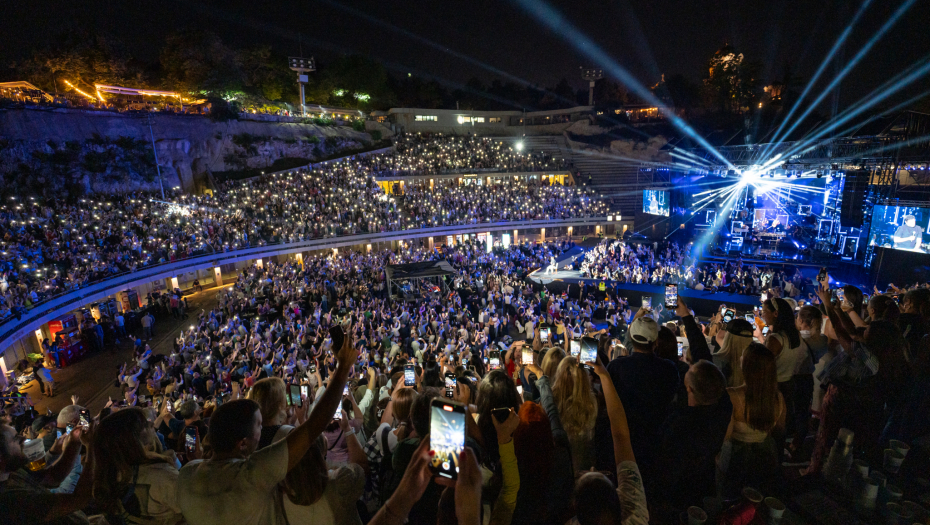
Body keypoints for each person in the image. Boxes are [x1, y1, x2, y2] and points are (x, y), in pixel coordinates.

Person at [176, 331, 357, 525]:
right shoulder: (252, 475)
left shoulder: (187, 474)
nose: (263, 430)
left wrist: (195, 458)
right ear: (242, 444)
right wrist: (344, 367)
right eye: (259, 425)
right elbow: (315, 426)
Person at [651, 360, 732, 512]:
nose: (688, 366)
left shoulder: (678, 425)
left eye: (690, 368)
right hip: (704, 483)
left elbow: (666, 469)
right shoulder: (723, 410)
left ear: (688, 388)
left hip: (677, 494)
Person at [577, 356, 649, 525]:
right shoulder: (634, 509)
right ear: (619, 500)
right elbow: (621, 435)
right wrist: (604, 375)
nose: (593, 468)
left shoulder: (636, 510)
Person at [605, 315, 679, 483]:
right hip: (655, 443)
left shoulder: (616, 367)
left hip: (620, 443)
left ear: (631, 338)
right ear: (655, 343)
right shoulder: (669, 370)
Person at [91, 407, 185, 525]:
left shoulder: (107, 477)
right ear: (133, 439)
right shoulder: (163, 476)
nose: (151, 423)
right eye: (145, 424)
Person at [717, 343, 785, 498]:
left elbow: (725, 437)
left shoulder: (733, 396)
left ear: (748, 367)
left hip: (736, 459)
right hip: (766, 455)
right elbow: (780, 431)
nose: (740, 358)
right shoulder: (778, 398)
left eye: (743, 357)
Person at [0, 423, 95, 525]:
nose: (23, 438)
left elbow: (53, 477)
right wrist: (92, 447)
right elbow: (79, 499)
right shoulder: (8, 501)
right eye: (16, 439)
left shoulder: (13, 471)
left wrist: (74, 441)